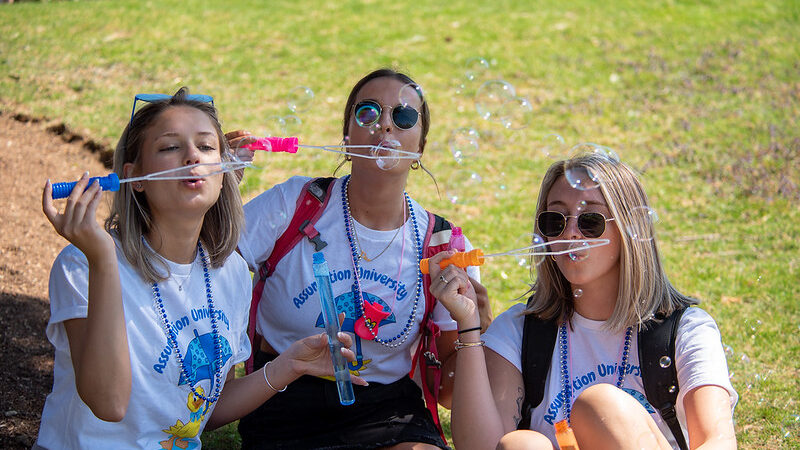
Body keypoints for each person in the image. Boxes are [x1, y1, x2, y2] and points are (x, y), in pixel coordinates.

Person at [35, 88, 363, 450]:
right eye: (170, 147)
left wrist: (290, 366)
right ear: (135, 178)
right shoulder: (82, 265)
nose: (192, 155)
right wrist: (102, 260)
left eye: (207, 147)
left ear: (223, 173)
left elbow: (205, 410)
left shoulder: (233, 274)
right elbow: (109, 404)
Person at [231, 68, 489, 449]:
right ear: (347, 138)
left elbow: (447, 393)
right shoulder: (296, 204)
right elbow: (207, 259)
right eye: (368, 112)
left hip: (387, 409)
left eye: (403, 117)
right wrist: (218, 186)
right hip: (284, 398)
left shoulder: (442, 243)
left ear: (419, 148)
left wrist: (472, 329)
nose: (385, 124)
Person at [428, 152, 738, 449]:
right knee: (521, 445)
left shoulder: (683, 330)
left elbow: (718, 441)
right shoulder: (521, 330)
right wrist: (468, 326)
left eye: (590, 219)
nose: (571, 233)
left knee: (600, 406)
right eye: (556, 220)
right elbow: (481, 447)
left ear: (631, 230)